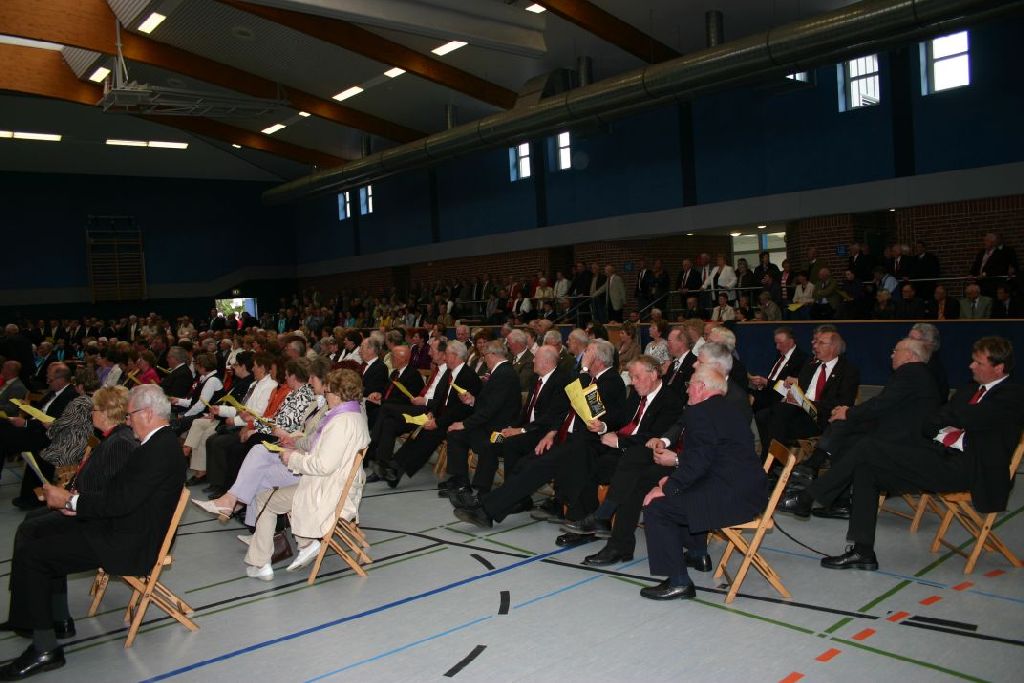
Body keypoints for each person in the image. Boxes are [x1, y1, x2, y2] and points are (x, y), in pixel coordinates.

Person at [781, 337, 1024, 572]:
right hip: (940, 455)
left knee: (868, 447)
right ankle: (862, 551)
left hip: (971, 468)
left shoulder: (1011, 395)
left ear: (998, 367)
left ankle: (808, 497)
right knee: (867, 470)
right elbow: (934, 421)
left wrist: (954, 420)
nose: (971, 366)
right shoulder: (969, 391)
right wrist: (955, 422)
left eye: (979, 363)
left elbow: (966, 417)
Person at [0, 385, 183, 679]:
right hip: (122, 528)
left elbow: (120, 501)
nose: (127, 421)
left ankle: (45, 649)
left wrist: (71, 500)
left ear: (147, 414)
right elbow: (121, 495)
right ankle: (51, 621)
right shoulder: (159, 443)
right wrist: (79, 506)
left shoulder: (157, 449)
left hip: (127, 542)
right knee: (41, 539)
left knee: (34, 555)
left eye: (131, 415)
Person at [453, 339, 628, 529]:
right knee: (526, 465)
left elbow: (589, 406)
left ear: (598, 359)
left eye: (588, 353)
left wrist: (584, 369)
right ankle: (489, 508)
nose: (584, 355)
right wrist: (551, 433)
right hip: (566, 438)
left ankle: (486, 510)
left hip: (588, 444)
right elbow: (566, 409)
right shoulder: (590, 378)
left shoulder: (611, 381)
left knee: (534, 468)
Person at [638, 367, 767, 600]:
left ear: (701, 387)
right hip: (749, 493)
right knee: (678, 494)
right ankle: (696, 552)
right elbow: (710, 457)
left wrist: (667, 487)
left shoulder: (699, 413)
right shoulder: (732, 409)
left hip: (731, 498)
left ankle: (679, 582)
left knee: (656, 507)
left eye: (690, 384)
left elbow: (698, 462)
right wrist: (674, 481)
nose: (687, 389)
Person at [781, 338, 941, 519]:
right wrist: (849, 414)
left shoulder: (911, 372)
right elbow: (885, 406)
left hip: (903, 440)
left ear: (910, 356)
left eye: (896, 351)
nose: (892, 355)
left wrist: (848, 413)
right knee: (845, 435)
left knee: (848, 433)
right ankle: (835, 499)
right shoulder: (920, 374)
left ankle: (812, 473)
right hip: (898, 430)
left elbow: (881, 404)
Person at [754, 330, 860, 457]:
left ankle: (770, 463)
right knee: (762, 415)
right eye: (816, 342)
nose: (815, 346)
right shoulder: (811, 365)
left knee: (778, 414)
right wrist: (793, 396)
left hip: (820, 417)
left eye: (821, 343)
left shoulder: (848, 370)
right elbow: (801, 389)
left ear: (833, 347)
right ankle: (774, 460)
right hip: (797, 412)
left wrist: (808, 403)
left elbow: (844, 402)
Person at [439, 341, 523, 496]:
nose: (484, 360)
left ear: (492, 355)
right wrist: (473, 401)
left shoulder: (505, 374)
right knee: (455, 434)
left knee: (484, 444)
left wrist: (465, 424)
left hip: (501, 431)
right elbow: (489, 405)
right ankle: (460, 481)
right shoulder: (501, 372)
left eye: (485, 356)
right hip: (490, 425)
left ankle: (480, 489)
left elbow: (490, 410)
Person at [749, 327, 809, 414]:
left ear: (791, 342)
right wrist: (762, 384)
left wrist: (766, 382)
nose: (777, 347)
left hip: (778, 398)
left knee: (746, 400)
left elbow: (788, 388)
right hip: (767, 391)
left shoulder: (801, 359)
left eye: (780, 343)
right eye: (776, 343)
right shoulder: (781, 354)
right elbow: (774, 377)